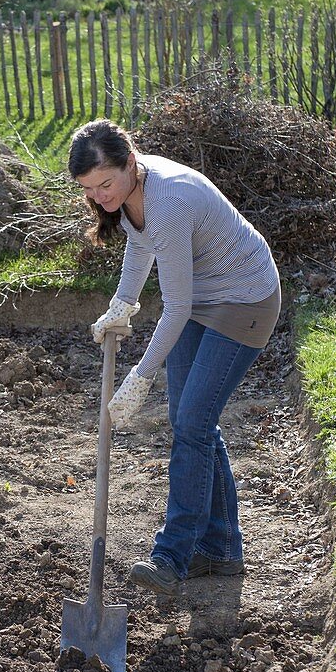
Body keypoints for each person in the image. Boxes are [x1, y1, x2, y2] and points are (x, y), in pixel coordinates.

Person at [69, 119, 281, 598]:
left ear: (131, 162)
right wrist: (121, 305)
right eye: (89, 189)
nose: (100, 196)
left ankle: (172, 556)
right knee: (193, 421)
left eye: (106, 183)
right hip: (203, 297)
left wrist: (140, 376)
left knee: (191, 423)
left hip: (245, 299)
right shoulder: (128, 195)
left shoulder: (170, 199)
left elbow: (177, 307)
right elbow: (140, 250)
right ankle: (223, 549)